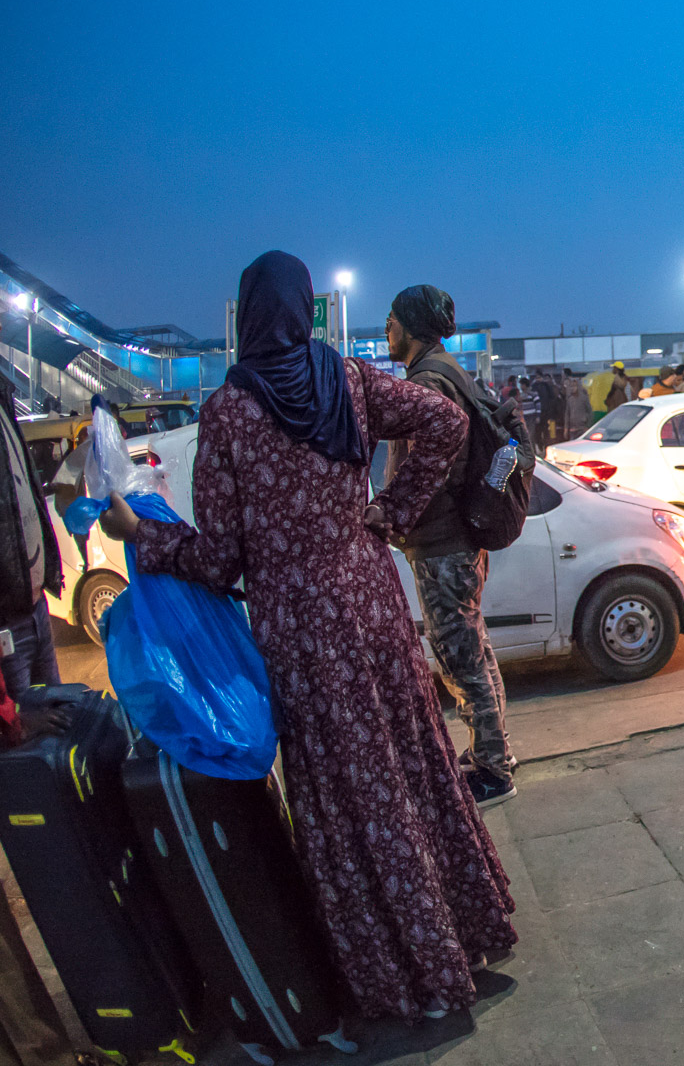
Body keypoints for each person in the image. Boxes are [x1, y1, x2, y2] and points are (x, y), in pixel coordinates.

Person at [101, 251, 515, 1021]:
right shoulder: (346, 380)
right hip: (373, 601)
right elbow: (448, 422)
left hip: (300, 627)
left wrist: (141, 534)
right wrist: (390, 512)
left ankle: (408, 974)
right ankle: (465, 936)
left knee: (350, 791)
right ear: (303, 309)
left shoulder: (230, 411)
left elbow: (219, 559)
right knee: (412, 762)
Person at [382, 284, 517, 808]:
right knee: (474, 648)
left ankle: (493, 772)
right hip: (458, 538)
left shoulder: (428, 382)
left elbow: (436, 465)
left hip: (443, 543)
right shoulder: (449, 370)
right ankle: (493, 752)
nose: (387, 329)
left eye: (392, 320)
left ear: (411, 325)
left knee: (460, 657)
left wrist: (392, 511)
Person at [0, 374, 80, 1066]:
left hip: (24, 605)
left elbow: (22, 495)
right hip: (5, 621)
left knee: (61, 758)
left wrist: (49, 567)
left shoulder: (3, 397)